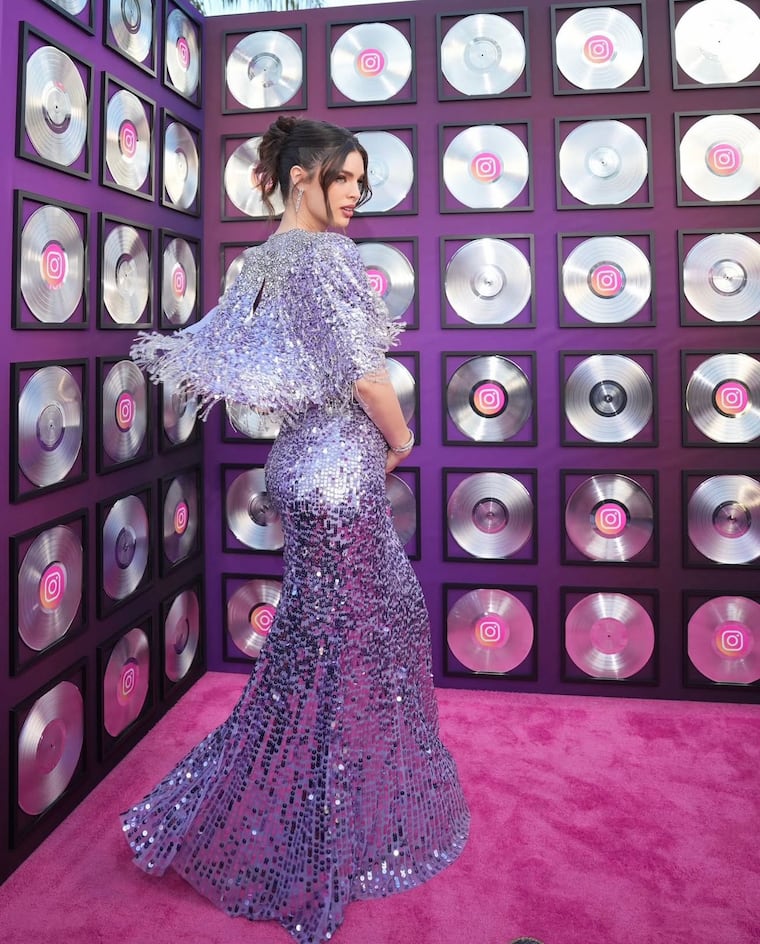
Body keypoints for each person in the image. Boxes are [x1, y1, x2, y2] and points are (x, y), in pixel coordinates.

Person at [122, 116, 470, 944]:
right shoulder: (324, 257)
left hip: (298, 468)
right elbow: (363, 371)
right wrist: (405, 439)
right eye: (346, 178)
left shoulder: (259, 263)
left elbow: (242, 359)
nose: (358, 194)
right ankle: (315, 838)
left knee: (324, 646)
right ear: (303, 176)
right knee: (352, 649)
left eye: (363, 183)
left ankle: (311, 814)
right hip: (342, 470)